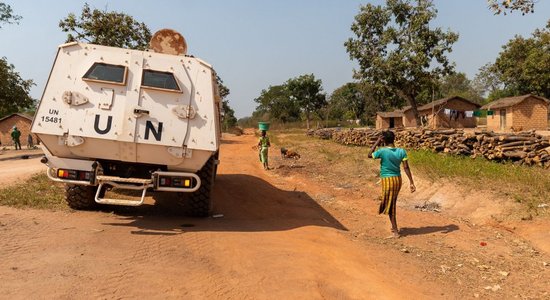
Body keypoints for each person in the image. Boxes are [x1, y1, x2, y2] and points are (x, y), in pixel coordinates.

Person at [368, 130, 416, 238]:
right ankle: (394, 227)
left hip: (387, 180)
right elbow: (406, 167)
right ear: (394, 139)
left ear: (383, 140)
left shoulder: (382, 151)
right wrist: (411, 182)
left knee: (390, 205)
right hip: (397, 180)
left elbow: (369, 155)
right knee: (391, 202)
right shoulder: (402, 151)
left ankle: (395, 231)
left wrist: (376, 142)